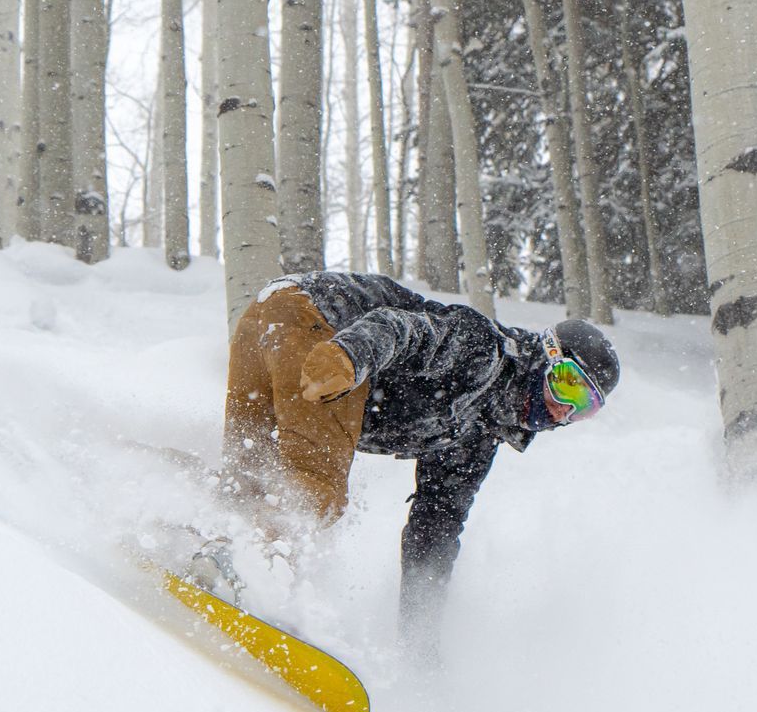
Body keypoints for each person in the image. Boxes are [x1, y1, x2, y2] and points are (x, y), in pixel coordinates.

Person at [221, 271, 619, 637]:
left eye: (584, 407)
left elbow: (434, 532)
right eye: (567, 385)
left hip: (267, 318)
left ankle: (195, 533)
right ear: (544, 356)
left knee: (253, 474)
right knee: (313, 491)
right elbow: (402, 329)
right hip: (319, 325)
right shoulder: (484, 352)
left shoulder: (477, 436)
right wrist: (350, 355)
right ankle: (247, 583)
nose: (563, 410)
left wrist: (419, 637)